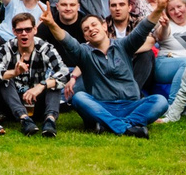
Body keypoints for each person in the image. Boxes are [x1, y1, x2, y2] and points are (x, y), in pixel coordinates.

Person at [45, 10, 164, 138]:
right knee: (79, 98)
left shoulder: (123, 45)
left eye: (94, 25)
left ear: (104, 26)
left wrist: (159, 8)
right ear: (85, 36)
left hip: (131, 105)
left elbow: (142, 30)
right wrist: (52, 24)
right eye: (86, 29)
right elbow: (67, 41)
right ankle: (129, 128)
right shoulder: (84, 53)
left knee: (160, 101)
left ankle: (111, 125)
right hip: (101, 107)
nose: (91, 29)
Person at [0, 8, 71, 136]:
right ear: (14, 31)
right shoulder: (4, 49)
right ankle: (24, 119)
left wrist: (41, 86)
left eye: (28, 30)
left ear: (35, 30)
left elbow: (64, 72)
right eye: (19, 30)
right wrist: (13, 73)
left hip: (37, 101)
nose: (24, 34)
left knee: (54, 82)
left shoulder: (45, 48)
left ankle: (50, 121)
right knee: (3, 79)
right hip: (11, 103)